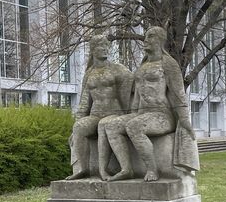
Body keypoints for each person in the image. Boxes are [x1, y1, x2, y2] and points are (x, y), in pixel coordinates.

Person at [99, 26, 199, 181]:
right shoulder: (142, 67)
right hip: (141, 113)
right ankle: (126, 169)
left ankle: (152, 170)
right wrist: (129, 113)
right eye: (146, 36)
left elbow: (179, 94)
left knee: (134, 126)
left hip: (162, 115)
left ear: (160, 40)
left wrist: (184, 120)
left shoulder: (168, 64)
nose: (146, 40)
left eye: (150, 36)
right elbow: (136, 96)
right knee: (112, 126)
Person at [66, 35, 133, 180]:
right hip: (95, 114)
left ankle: (104, 170)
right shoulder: (89, 74)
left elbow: (129, 93)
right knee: (78, 127)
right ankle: (81, 169)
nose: (105, 49)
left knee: (105, 124)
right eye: (101, 46)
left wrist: (129, 116)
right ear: (93, 50)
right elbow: (84, 102)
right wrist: (76, 123)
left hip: (115, 113)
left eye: (106, 46)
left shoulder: (118, 69)